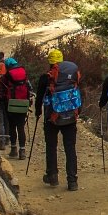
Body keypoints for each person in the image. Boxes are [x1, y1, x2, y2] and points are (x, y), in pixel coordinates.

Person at [34, 48, 82, 192]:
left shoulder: (46, 77)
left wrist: (37, 113)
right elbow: (78, 93)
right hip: (70, 115)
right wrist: (77, 111)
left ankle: (52, 175)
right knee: (70, 148)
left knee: (51, 146)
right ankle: (72, 181)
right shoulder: (72, 74)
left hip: (52, 117)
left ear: (49, 62)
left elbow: (39, 97)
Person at [0, 57, 30, 160]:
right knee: (21, 127)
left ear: (8, 66)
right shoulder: (24, 74)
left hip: (11, 105)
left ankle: (14, 149)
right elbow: (29, 87)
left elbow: (1, 93)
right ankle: (22, 151)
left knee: (12, 127)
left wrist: (0, 100)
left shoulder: (5, 77)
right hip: (23, 104)